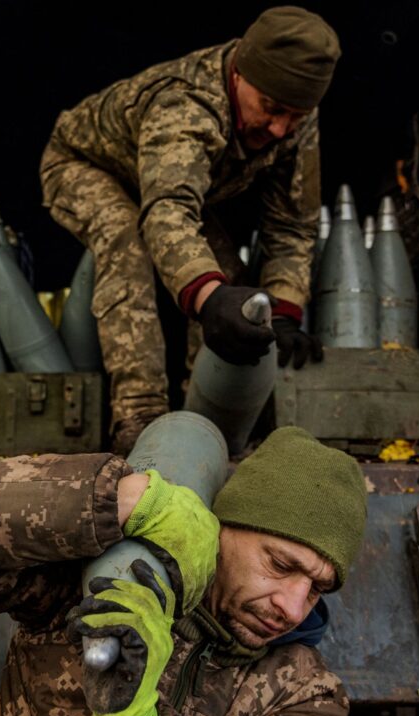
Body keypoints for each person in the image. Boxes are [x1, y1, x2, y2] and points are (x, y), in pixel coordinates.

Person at [0, 426, 367, 716]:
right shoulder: (83, 587)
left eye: (317, 589)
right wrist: (120, 502)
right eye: (281, 565)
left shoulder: (304, 694)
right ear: (222, 529)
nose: (292, 607)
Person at [40, 6, 336, 453]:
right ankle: (139, 416)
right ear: (238, 75)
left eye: (294, 117)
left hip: (162, 183)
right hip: (85, 165)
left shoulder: (295, 115)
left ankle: (207, 423)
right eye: (272, 109)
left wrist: (283, 312)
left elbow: (293, 224)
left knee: (230, 286)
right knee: (128, 243)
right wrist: (206, 297)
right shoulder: (187, 103)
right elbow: (166, 209)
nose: (280, 129)